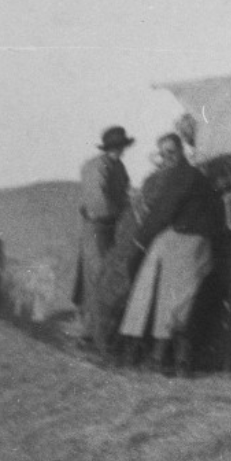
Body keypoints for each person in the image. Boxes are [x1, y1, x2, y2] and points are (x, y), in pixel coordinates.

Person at [117, 132, 223, 376]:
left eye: (171, 152)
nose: (167, 157)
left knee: (156, 287)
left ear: (181, 151)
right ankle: (172, 360)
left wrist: (139, 241)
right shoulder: (194, 176)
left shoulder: (180, 177)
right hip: (199, 242)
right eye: (163, 154)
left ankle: (154, 356)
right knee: (177, 301)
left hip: (186, 241)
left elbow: (162, 212)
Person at [72, 125, 134, 347]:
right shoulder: (95, 167)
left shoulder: (119, 167)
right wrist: (122, 213)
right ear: (108, 147)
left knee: (108, 277)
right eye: (115, 146)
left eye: (121, 146)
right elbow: (97, 202)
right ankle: (90, 333)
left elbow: (125, 195)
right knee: (96, 277)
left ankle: (103, 332)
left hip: (113, 228)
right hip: (97, 227)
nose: (119, 150)